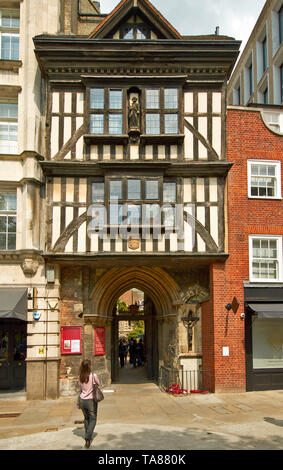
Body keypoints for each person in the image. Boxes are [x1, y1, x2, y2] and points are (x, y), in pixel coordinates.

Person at [78, 360, 100, 449]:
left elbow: (80, 386)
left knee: (86, 418)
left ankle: (88, 436)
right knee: (93, 419)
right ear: (89, 366)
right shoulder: (93, 375)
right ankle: (88, 437)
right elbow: (98, 384)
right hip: (91, 400)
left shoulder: (80, 377)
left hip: (82, 399)